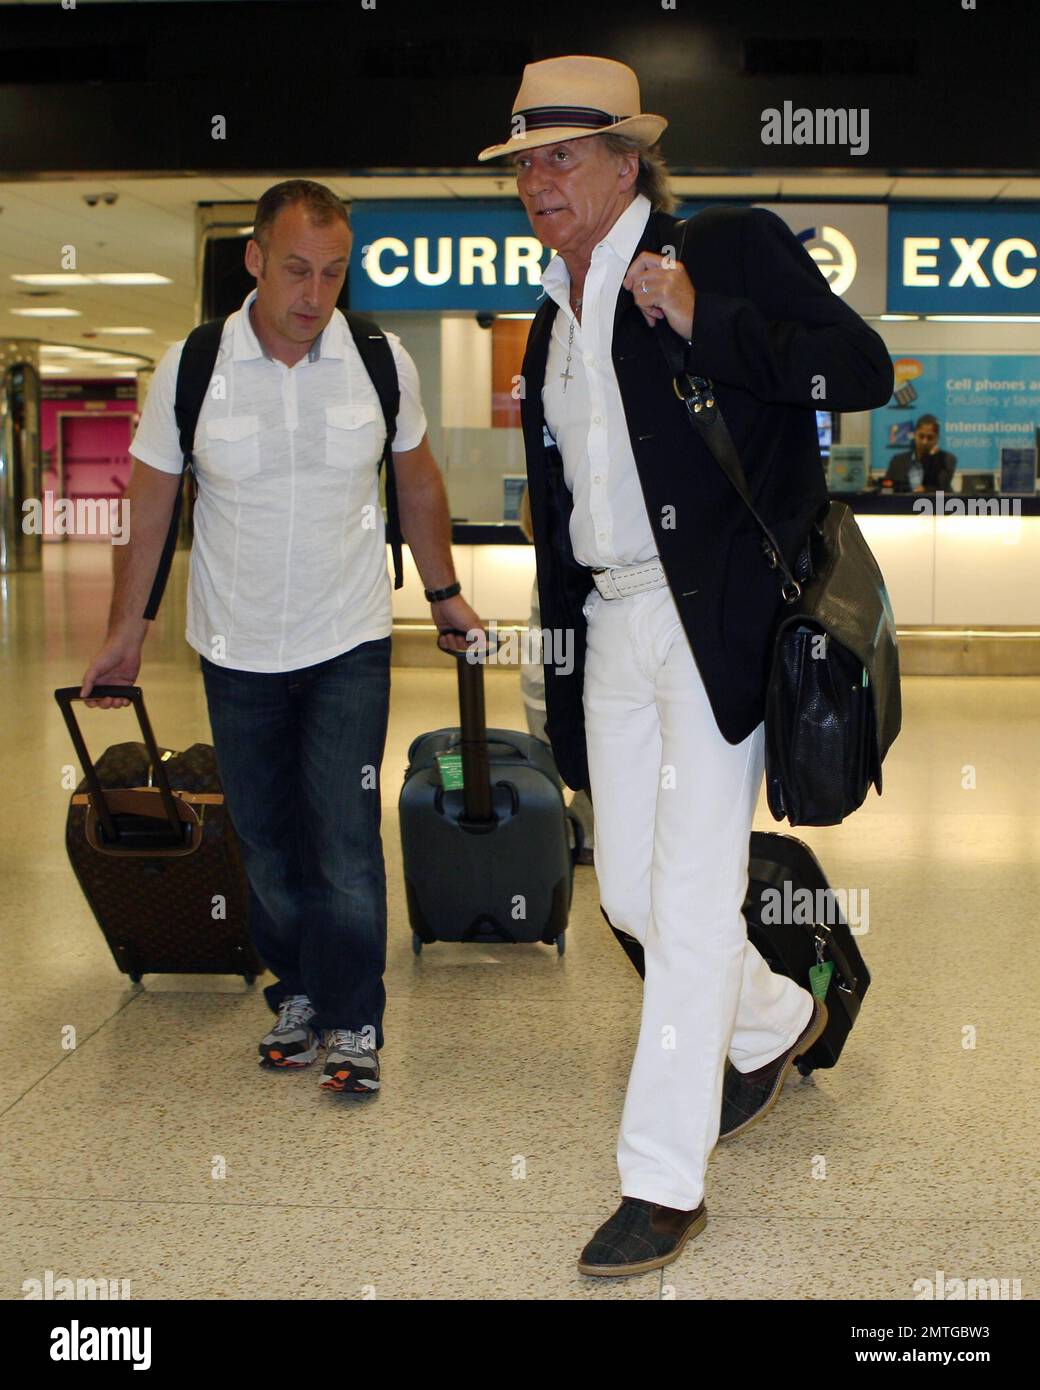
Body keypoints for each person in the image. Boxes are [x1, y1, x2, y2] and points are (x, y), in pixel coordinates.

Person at [477, 55, 894, 1275]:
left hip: (713, 625)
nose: (537, 182)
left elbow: (854, 372)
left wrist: (701, 319)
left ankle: (659, 1183)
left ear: (625, 163)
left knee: (697, 897)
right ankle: (776, 1017)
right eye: (522, 163)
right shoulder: (551, 315)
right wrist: (553, 661)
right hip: (609, 626)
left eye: (561, 157)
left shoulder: (721, 248)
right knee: (627, 897)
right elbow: (563, 516)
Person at [80, 179, 481, 1096]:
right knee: (262, 836)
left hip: (347, 637)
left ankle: (353, 1020)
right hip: (235, 644)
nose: (315, 293)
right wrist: (125, 634)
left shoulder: (377, 360)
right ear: (255, 259)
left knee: (342, 834)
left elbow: (416, 482)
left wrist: (446, 591)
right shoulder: (190, 367)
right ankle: (295, 991)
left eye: (334, 273)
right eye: (296, 269)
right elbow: (149, 512)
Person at [517, 484, 595, 862]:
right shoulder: (571, 565)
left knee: (553, 765)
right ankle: (570, 834)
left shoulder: (548, 559)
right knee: (580, 761)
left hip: (541, 678)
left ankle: (562, 832)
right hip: (555, 684)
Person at [884, 414, 956, 492]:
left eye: (930, 438)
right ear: (915, 434)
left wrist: (925, 490)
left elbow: (942, 487)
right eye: (921, 436)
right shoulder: (897, 461)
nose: (924, 442)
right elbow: (887, 486)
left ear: (937, 438)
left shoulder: (946, 460)